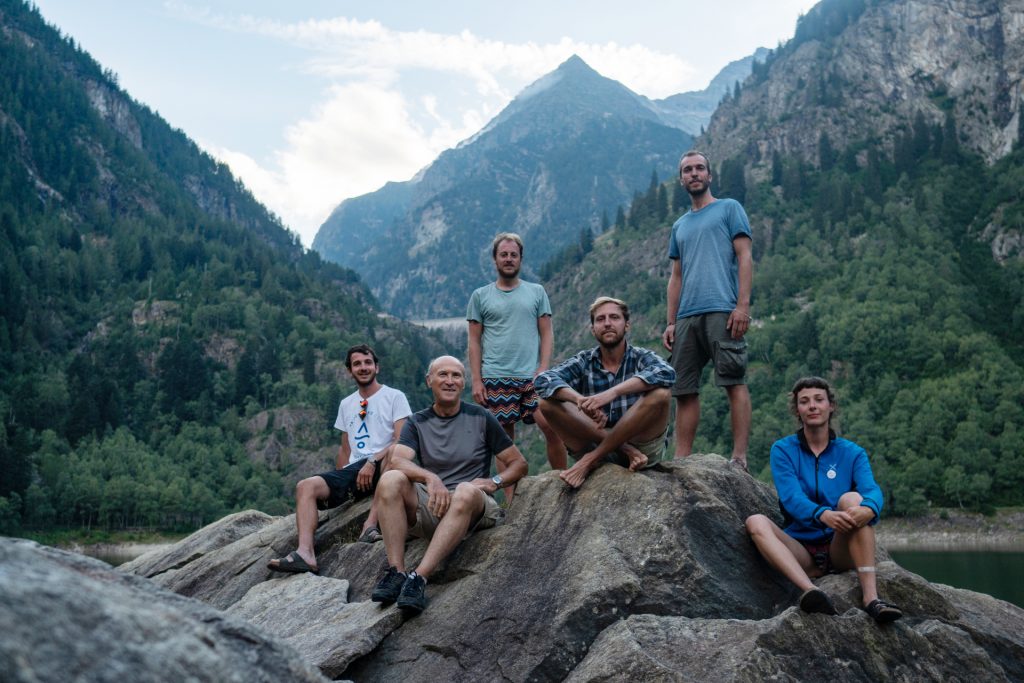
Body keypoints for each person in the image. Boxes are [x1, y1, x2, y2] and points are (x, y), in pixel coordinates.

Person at [371, 355, 528, 614]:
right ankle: (396, 572)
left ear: (463, 382)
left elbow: (518, 464)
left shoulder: (481, 417)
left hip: (473, 507)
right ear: (429, 380)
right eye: (443, 374)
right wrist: (430, 478)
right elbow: (398, 460)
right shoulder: (417, 422)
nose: (450, 381)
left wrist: (494, 481)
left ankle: (418, 578)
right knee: (390, 478)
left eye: (456, 375)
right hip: (435, 502)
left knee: (466, 490)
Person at [744, 377, 903, 623]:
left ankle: (872, 599)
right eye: (804, 402)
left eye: (819, 400)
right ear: (797, 410)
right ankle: (811, 591)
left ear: (831, 406)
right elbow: (791, 497)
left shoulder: (852, 453)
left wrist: (869, 508)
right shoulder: (783, 450)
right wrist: (822, 514)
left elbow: (872, 490)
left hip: (839, 548)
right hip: (801, 551)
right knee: (755, 522)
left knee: (854, 499)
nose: (813, 406)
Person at [268, 344, 411, 574]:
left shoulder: (394, 397)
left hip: (385, 464)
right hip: (355, 472)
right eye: (357, 364)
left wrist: (372, 461)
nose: (363, 368)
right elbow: (345, 449)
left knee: (395, 453)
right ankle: (305, 553)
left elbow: (401, 439)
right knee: (305, 486)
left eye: (367, 363)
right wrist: (341, 484)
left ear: (377, 367)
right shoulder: (346, 404)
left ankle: (370, 525)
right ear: (349, 371)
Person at [662, 150, 753, 471]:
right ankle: (681, 460)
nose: (694, 174)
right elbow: (676, 276)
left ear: (710, 176)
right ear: (682, 179)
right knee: (683, 390)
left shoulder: (729, 209)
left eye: (700, 168)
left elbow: (744, 257)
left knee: (733, 381)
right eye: (688, 170)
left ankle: (739, 457)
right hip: (686, 317)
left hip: (723, 309)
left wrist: (742, 306)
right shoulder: (680, 226)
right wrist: (670, 322)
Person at [534, 297, 674, 489]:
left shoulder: (641, 357)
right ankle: (622, 449)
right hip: (602, 443)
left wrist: (613, 393)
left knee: (661, 395)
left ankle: (591, 460)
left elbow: (667, 373)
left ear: (627, 326)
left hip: (643, 449)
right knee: (546, 403)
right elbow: (543, 380)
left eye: (614, 317)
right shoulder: (584, 361)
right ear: (593, 329)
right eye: (600, 319)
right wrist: (579, 400)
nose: (607, 323)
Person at [467, 232, 567, 490]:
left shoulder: (536, 292)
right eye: (504, 255)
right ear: (495, 259)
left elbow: (546, 332)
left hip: (531, 376)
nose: (509, 259)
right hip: (495, 376)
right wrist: (476, 380)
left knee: (552, 427)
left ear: (521, 259)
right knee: (504, 443)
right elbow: (474, 341)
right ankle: (512, 502)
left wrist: (543, 368)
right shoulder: (480, 296)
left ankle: (563, 485)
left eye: (514, 255)